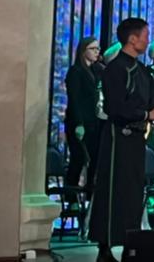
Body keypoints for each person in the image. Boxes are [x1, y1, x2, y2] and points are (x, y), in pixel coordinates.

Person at [88, 18, 154, 262]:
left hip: (137, 139)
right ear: (132, 39)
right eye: (145, 36)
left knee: (134, 193)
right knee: (114, 190)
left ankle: (130, 245)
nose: (148, 41)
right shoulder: (116, 69)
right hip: (118, 138)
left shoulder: (142, 71)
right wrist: (147, 115)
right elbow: (115, 108)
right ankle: (105, 246)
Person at [63, 37, 101, 194]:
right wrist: (79, 124)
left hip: (94, 122)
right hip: (79, 122)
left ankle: (90, 195)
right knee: (78, 159)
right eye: (93, 49)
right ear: (83, 51)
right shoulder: (76, 72)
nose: (96, 52)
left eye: (97, 49)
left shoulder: (96, 71)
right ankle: (71, 197)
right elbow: (74, 100)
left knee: (94, 159)